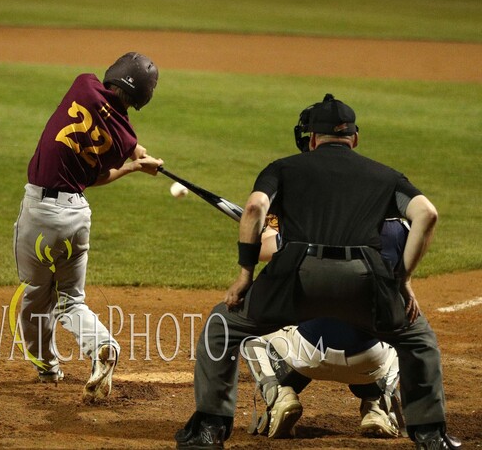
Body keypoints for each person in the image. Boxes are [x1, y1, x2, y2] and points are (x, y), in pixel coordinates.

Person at [175, 94, 460, 449]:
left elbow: (254, 209)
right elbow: (427, 214)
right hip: (365, 279)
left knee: (224, 325)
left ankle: (209, 428)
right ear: (354, 139)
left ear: (312, 140)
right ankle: (430, 435)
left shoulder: (283, 168)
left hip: (299, 276)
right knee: (418, 340)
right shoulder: (386, 176)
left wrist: (245, 275)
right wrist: (403, 280)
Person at [243, 102, 409, 440]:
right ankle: (377, 406)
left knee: (251, 329)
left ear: (314, 141)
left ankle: (280, 396)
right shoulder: (397, 227)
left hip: (308, 353)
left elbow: (263, 250)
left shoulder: (307, 225)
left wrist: (271, 232)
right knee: (399, 329)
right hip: (370, 361)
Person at [13, 52, 163, 402]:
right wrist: (138, 161)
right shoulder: (125, 136)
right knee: (70, 301)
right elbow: (98, 173)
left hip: (39, 212)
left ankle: (48, 368)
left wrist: (136, 158)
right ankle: (102, 345)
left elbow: (98, 167)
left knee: (35, 293)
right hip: (76, 217)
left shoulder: (84, 83)